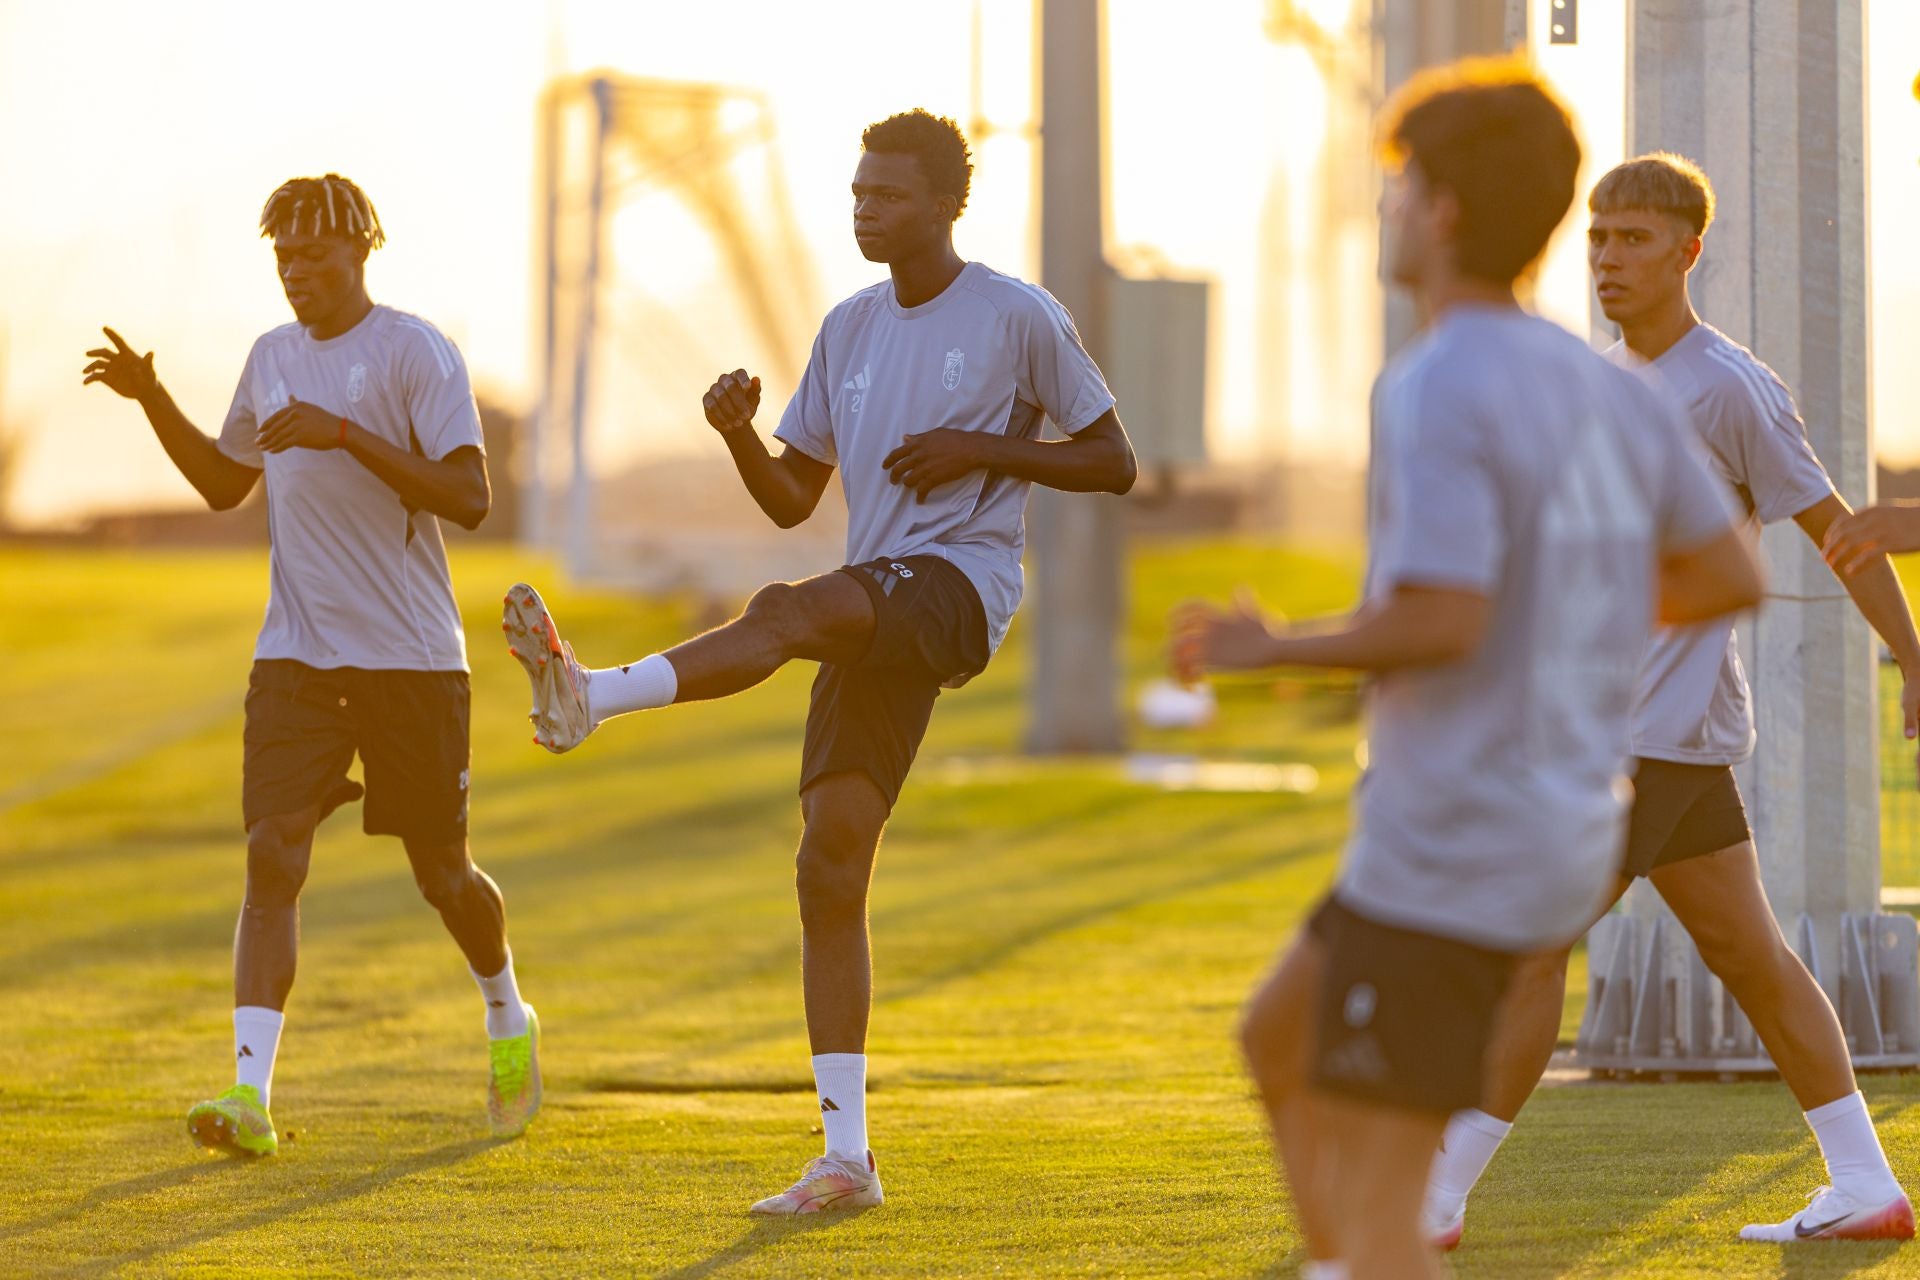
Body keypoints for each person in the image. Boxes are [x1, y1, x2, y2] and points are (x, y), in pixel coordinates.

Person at [1173, 63, 1762, 1279]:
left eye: (1397, 185)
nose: (1383, 208)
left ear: (1440, 211)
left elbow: (1442, 618)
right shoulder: (1608, 386)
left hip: (1460, 835)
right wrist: (1563, 612)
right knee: (1276, 1039)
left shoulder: (1438, 380)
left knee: (1394, 1211)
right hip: (1533, 826)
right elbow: (1724, 575)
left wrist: (1272, 648)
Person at [501, 110, 1136, 1213]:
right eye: (856, 192)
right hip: (874, 595)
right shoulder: (847, 328)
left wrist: (980, 447)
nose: (864, 209)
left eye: (886, 195)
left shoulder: (1016, 316)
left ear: (945, 204)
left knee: (782, 612)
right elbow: (796, 494)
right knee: (828, 862)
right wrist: (741, 432)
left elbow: (1114, 460)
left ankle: (592, 694)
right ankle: (847, 1158)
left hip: (954, 591)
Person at [1421, 151, 1918, 1247]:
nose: (1609, 259)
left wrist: (1913, 654)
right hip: (1635, 731)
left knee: (1522, 945)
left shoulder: (1728, 386)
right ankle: (1865, 1184)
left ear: (1689, 251)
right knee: (1751, 955)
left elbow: (1835, 531)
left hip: (1644, 735)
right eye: (1598, 239)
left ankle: (1437, 1198)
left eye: (1634, 240)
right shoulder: (1596, 379)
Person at [82, 174, 540, 1156]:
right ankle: (250, 1093)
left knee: (443, 874)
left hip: (412, 662)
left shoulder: (413, 352)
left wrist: (343, 433)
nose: (296, 273)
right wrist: (153, 395)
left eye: (314, 256)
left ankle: (507, 1010)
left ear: (361, 250)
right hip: (295, 655)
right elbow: (222, 483)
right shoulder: (271, 357)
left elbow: (469, 495)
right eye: (282, 256)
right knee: (271, 852)